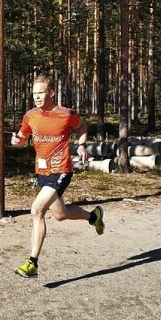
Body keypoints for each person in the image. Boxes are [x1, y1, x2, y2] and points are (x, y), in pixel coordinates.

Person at [10, 75, 104, 278]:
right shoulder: (30, 116)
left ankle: (32, 263)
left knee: (36, 210)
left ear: (50, 92)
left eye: (41, 92)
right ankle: (94, 216)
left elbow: (82, 126)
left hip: (61, 170)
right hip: (41, 172)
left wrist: (81, 145)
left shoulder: (65, 114)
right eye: (34, 93)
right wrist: (16, 141)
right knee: (61, 215)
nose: (37, 97)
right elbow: (22, 135)